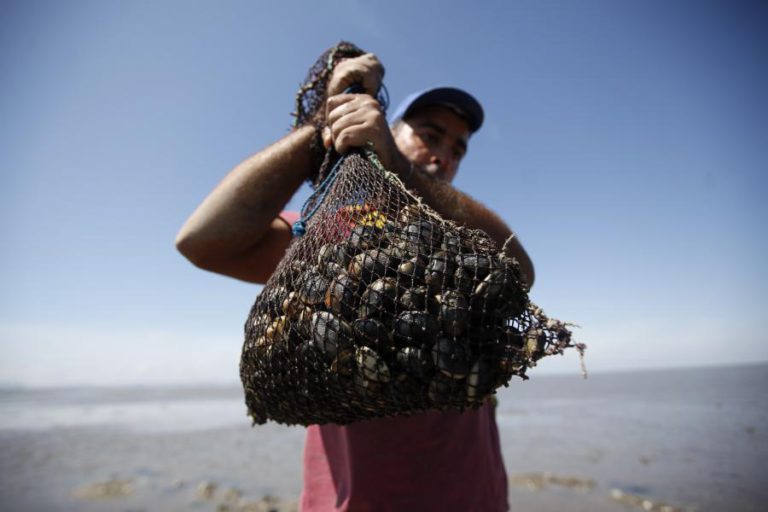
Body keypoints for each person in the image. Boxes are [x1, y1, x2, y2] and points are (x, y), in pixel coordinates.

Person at [176, 52, 534, 511]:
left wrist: (401, 169)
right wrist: (322, 122)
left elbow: (519, 271)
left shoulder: (460, 242)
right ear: (390, 128)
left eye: (458, 148)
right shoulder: (333, 234)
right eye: (430, 135)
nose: (444, 156)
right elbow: (201, 240)